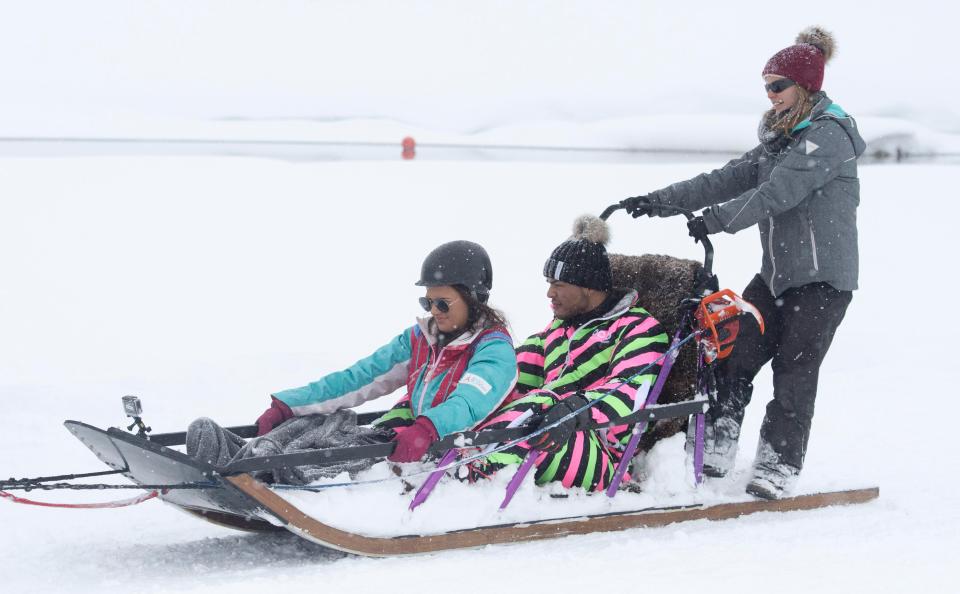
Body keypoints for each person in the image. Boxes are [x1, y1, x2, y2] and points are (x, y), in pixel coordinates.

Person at [620, 26, 864, 500]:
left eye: (778, 85)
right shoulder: (781, 138)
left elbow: (779, 192)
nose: (770, 95)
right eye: (766, 85)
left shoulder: (828, 137)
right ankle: (714, 446)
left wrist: (715, 221)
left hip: (821, 283)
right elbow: (728, 177)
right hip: (775, 278)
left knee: (793, 375)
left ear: (805, 86)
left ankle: (777, 467)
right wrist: (662, 201)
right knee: (732, 357)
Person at [187, 241, 518, 478]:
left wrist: (427, 428)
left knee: (345, 444)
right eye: (426, 302)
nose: (433, 312)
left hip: (452, 449)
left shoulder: (493, 350)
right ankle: (248, 459)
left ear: (473, 299)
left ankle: (275, 474)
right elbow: (359, 377)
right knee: (324, 423)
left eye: (442, 303)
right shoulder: (421, 337)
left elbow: (469, 402)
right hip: (415, 438)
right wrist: (289, 406)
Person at [468, 215, 668, 492]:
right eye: (549, 283)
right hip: (553, 431)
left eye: (558, 284)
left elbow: (629, 391)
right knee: (481, 396)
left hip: (600, 451)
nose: (549, 293)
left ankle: (466, 477)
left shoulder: (640, 328)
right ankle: (454, 458)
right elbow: (512, 372)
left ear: (588, 285)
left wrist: (574, 410)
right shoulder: (559, 329)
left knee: (540, 405)